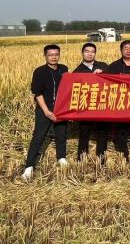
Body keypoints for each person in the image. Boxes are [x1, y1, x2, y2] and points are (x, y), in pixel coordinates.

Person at [22, 44, 69, 180]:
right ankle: (29, 166)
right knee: (38, 136)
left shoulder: (64, 69)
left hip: (60, 108)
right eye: (50, 55)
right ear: (45, 56)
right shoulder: (39, 71)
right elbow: (38, 93)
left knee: (61, 134)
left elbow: (70, 86)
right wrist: (47, 111)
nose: (54, 57)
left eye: (56, 54)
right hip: (44, 109)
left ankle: (61, 158)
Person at [73, 42, 110, 162]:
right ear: (82, 53)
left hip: (102, 104)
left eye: (92, 52)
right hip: (86, 107)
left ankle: (101, 158)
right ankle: (81, 159)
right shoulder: (77, 71)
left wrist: (103, 74)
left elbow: (113, 81)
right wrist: (91, 78)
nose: (90, 54)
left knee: (103, 131)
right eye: (87, 51)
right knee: (84, 131)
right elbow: (75, 90)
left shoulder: (104, 66)